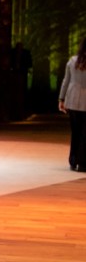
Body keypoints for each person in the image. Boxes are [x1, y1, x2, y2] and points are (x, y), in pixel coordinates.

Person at [58, 37, 86, 172]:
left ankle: (73, 160)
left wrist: (61, 99)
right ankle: (82, 161)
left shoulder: (72, 61)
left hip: (73, 98)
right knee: (84, 133)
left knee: (75, 131)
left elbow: (66, 80)